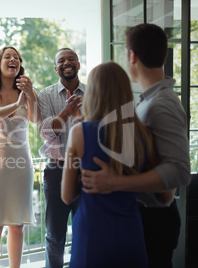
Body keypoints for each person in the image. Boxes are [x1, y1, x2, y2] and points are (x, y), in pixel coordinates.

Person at [81, 23, 191, 267]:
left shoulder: (160, 104)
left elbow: (180, 171)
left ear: (131, 55)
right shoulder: (148, 102)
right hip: (141, 216)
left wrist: (116, 182)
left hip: (155, 219)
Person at [62, 61, 177, 267]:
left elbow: (67, 195)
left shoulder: (79, 133)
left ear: (93, 93)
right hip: (129, 232)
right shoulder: (143, 133)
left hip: (91, 234)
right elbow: (166, 193)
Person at [0, 46, 40, 268]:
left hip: (22, 164)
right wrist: (16, 105)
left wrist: (31, 94)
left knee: (17, 225)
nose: (13, 59)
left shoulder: (28, 92)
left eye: (17, 57)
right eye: (8, 56)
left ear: (20, 65)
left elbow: (34, 119)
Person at [38, 48, 84, 268]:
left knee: (85, 231)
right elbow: (45, 132)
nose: (67, 63)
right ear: (56, 68)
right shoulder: (45, 95)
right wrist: (66, 112)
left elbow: (101, 129)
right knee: (55, 235)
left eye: (71, 59)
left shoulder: (93, 92)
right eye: (62, 60)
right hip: (56, 171)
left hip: (87, 171)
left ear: (78, 64)